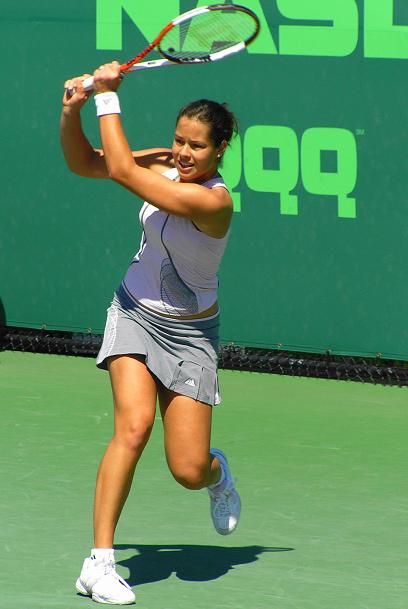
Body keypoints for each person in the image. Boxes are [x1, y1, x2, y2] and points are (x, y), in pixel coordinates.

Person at [60, 61, 241, 605]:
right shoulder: (167, 164)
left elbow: (121, 170)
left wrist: (107, 97)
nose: (182, 153)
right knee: (133, 426)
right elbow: (87, 163)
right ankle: (99, 562)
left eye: (196, 147)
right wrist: (73, 110)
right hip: (136, 312)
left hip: (190, 338)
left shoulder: (214, 202)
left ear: (219, 151)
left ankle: (217, 475)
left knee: (187, 468)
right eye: (178, 141)